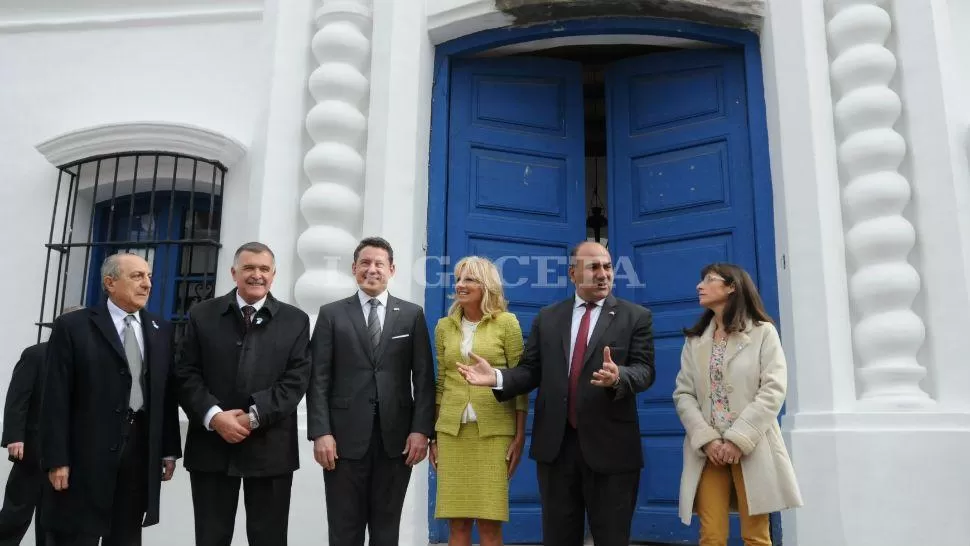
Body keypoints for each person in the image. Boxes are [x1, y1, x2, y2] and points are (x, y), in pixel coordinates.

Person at [458, 241, 655, 546]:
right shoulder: (548, 318)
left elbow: (645, 371)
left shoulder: (635, 317)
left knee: (613, 538)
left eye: (607, 266)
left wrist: (620, 377)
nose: (603, 274)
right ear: (573, 273)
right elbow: (530, 370)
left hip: (612, 448)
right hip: (557, 449)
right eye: (593, 267)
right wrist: (497, 376)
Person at [175, 241, 311, 546]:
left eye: (264, 269)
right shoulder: (202, 314)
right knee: (211, 536)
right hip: (211, 446)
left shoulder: (295, 320)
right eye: (249, 268)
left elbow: (296, 380)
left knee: (269, 538)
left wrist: (253, 416)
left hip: (270, 448)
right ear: (233, 272)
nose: (257, 275)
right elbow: (185, 373)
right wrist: (215, 416)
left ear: (274, 275)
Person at [41, 254, 182, 546]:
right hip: (85, 456)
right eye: (137, 276)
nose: (147, 284)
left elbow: (166, 394)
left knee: (126, 535)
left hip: (139, 454)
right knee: (78, 535)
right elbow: (55, 397)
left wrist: (168, 449)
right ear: (109, 282)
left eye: (149, 276)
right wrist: (57, 459)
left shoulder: (161, 329)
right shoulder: (73, 326)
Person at [306, 236, 435, 546]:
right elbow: (318, 378)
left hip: (396, 442)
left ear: (392, 269)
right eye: (365, 262)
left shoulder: (411, 315)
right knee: (344, 530)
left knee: (386, 531)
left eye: (379, 263)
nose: (372, 269)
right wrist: (321, 432)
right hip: (343, 441)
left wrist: (421, 431)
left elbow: (424, 378)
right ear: (354, 268)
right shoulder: (331, 314)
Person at [672, 263, 802, 546]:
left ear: (732, 286)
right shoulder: (695, 341)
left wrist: (738, 440)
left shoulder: (763, 333)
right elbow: (683, 394)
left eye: (709, 280)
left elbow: (773, 389)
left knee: (756, 536)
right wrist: (707, 440)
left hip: (752, 447)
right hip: (709, 452)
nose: (699, 286)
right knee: (712, 536)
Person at [429, 256, 526, 546]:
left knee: (489, 522)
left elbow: (520, 383)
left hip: (494, 434)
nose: (460, 285)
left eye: (469, 279)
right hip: (452, 433)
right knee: (456, 523)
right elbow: (442, 384)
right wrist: (434, 435)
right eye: (458, 279)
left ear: (486, 285)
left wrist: (520, 435)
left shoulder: (507, 324)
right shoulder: (444, 327)